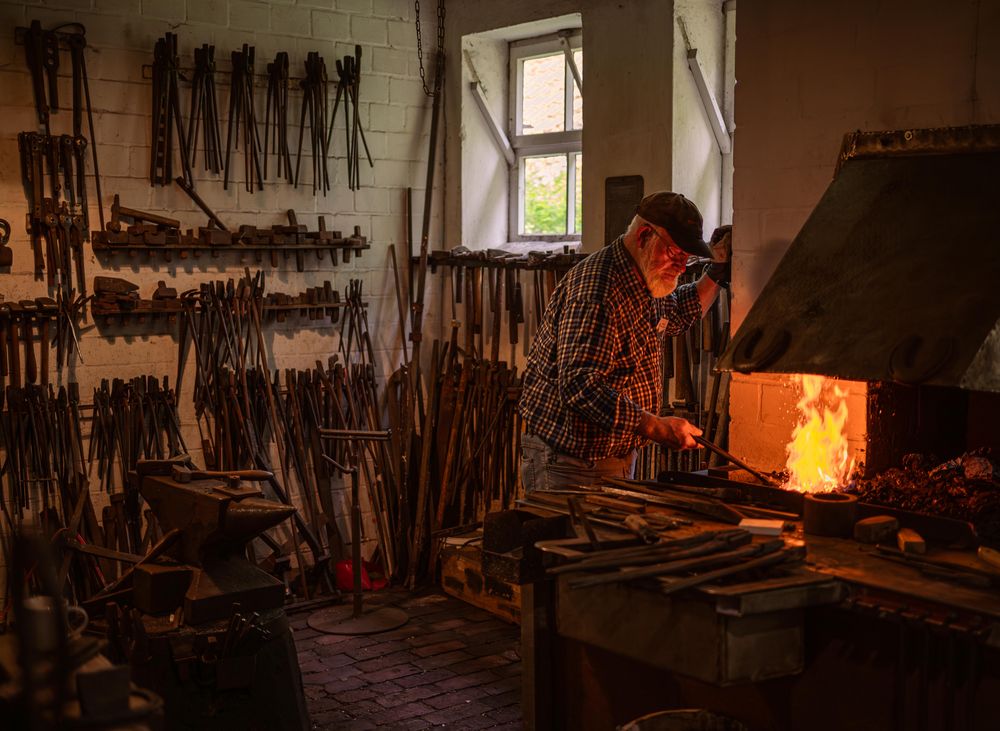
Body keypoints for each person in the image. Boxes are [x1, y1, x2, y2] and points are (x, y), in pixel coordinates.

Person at [518, 191, 731, 492]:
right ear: (645, 235)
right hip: (570, 464)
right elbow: (581, 386)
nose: (682, 267)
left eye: (688, 257)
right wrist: (656, 426)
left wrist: (717, 273)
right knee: (565, 540)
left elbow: (678, 311)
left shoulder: (645, 278)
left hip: (612, 458)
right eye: (675, 254)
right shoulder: (598, 289)